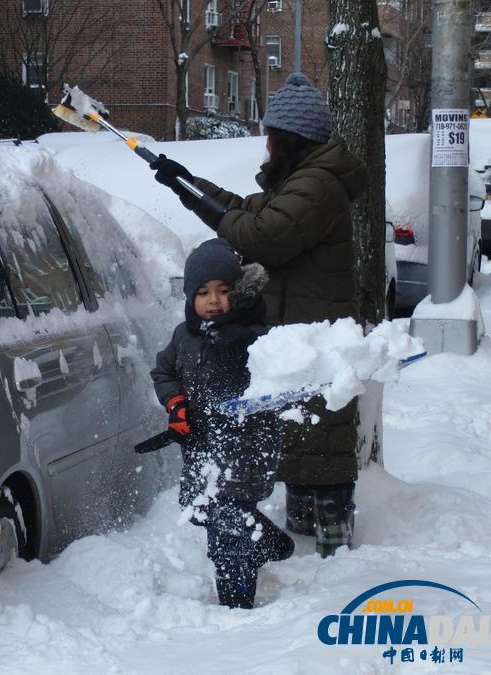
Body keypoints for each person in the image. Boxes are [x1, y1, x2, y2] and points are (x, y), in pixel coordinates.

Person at [150, 73, 369, 558]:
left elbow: (262, 235)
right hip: (301, 325)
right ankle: (307, 540)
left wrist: (198, 195)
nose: (266, 144)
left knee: (320, 439)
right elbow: (244, 210)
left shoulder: (317, 185)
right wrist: (187, 185)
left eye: (271, 134)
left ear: (290, 138)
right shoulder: (302, 179)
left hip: (314, 331)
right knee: (304, 436)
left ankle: (333, 556)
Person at [150, 238, 294, 609]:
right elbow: (164, 371)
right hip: (201, 445)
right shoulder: (184, 336)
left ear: (239, 293)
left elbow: (280, 372)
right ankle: (268, 542)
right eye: (202, 292)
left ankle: (236, 605)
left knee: (227, 527)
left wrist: (241, 337)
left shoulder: (254, 335)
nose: (213, 301)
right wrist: (176, 405)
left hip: (247, 446)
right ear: (189, 296)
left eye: (223, 291)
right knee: (198, 506)